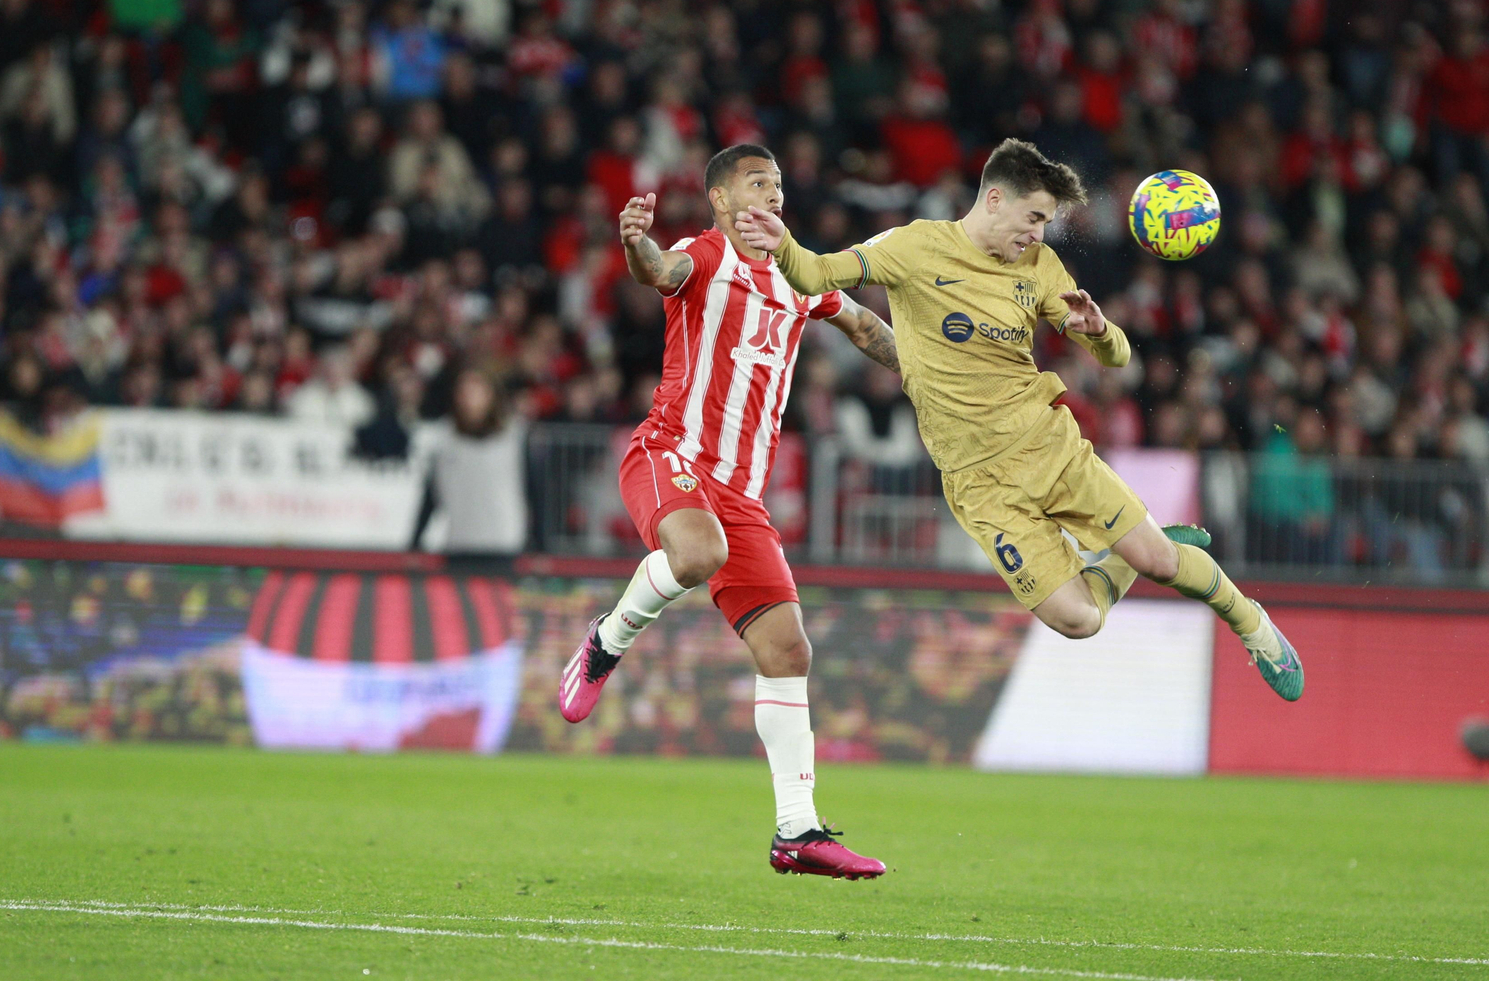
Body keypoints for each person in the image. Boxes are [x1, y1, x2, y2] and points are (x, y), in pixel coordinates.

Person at [734, 138, 1304, 702]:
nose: (1039, 233)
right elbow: (815, 274)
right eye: (1034, 218)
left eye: (1047, 222)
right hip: (978, 484)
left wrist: (1100, 332)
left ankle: (1254, 627)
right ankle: (1125, 559)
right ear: (995, 199)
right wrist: (783, 245)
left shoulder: (1040, 266)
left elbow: (1120, 358)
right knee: (1080, 621)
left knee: (1160, 561)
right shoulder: (913, 247)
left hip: (1047, 448)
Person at [558, 144, 900, 880]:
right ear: (719, 200)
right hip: (668, 454)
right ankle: (605, 641)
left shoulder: (800, 274)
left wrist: (938, 373)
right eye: (756, 182)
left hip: (741, 496)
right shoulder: (706, 254)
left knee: (788, 651)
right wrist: (634, 243)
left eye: (777, 185)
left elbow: (867, 330)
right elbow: (659, 270)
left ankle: (797, 832)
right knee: (696, 554)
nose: (772, 194)